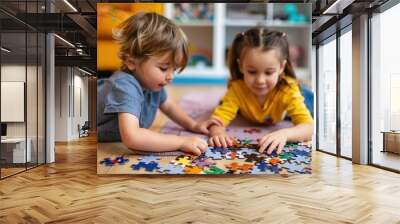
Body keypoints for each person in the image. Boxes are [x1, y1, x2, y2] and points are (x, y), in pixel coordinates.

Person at [97, 12, 215, 155]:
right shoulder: (125, 85)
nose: (171, 76)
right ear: (131, 62)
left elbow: (169, 106)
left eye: (174, 69)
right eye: (164, 68)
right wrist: (181, 141)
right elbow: (132, 137)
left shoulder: (153, 83)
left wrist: (193, 125)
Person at [207, 27, 313, 155]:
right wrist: (218, 133)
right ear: (241, 66)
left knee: (311, 101)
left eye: (269, 72)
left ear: (281, 67)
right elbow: (216, 121)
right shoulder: (237, 89)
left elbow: (309, 127)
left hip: (293, 97)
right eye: (252, 72)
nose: (260, 80)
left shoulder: (289, 89)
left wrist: (285, 134)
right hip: (266, 107)